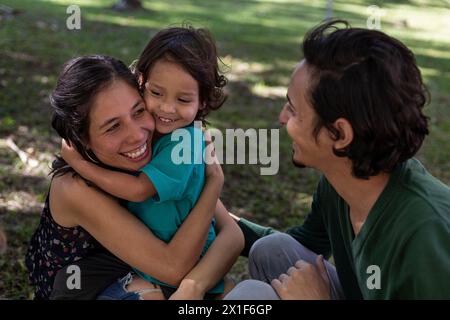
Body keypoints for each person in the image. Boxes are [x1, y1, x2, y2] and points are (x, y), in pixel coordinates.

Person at [225, 19, 450, 300]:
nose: (282, 119)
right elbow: (304, 243)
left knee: (250, 298)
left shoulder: (424, 234)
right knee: (272, 250)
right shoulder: (340, 184)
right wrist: (215, 214)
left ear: (340, 134)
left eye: (293, 110)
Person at [25, 54, 244, 300]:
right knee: (151, 295)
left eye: (138, 111)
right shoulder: (74, 187)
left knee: (234, 293)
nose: (137, 135)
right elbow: (172, 268)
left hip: (147, 273)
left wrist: (194, 286)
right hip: (84, 288)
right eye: (113, 126)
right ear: (82, 139)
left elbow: (232, 234)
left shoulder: (156, 150)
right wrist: (214, 182)